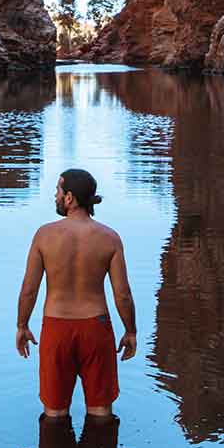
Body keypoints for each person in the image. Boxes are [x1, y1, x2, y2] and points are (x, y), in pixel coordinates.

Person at [16, 168, 137, 421]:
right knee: (101, 412)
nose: (56, 196)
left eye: (58, 191)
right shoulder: (110, 238)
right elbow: (122, 294)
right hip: (96, 327)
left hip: (56, 328)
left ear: (69, 198)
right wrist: (130, 331)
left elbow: (29, 289)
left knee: (55, 413)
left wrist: (22, 325)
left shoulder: (44, 235)